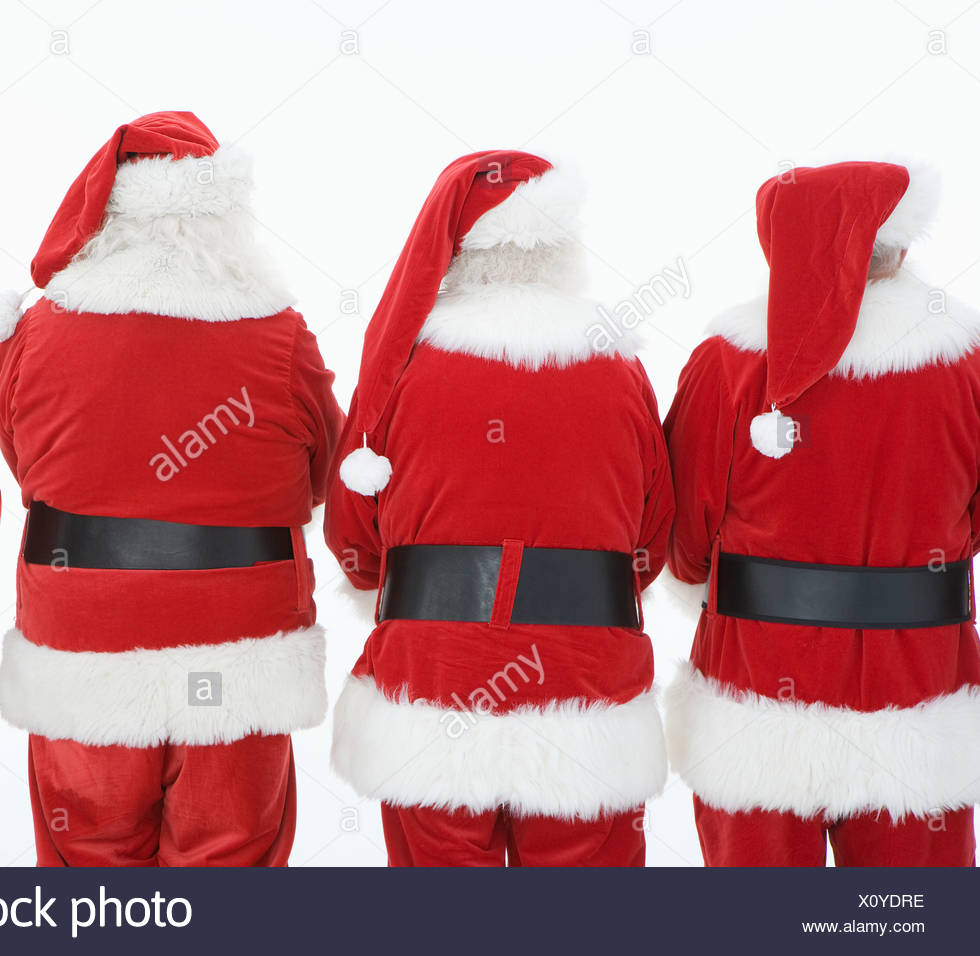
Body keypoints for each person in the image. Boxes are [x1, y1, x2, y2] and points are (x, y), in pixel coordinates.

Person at [0, 111, 344, 867]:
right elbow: (324, 470)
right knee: (232, 849)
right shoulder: (277, 333)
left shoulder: (39, 331)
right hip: (239, 629)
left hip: (82, 626)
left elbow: (28, 463)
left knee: (88, 854)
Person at [323, 151, 674, 866]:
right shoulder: (618, 364)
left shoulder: (402, 366)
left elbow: (351, 530)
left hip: (434, 672)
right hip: (585, 675)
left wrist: (393, 588)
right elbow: (654, 528)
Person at [663, 160, 980, 866]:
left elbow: (681, 534)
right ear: (900, 245)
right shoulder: (967, 363)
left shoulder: (727, 364)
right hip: (918, 690)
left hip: (757, 690)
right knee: (911, 918)